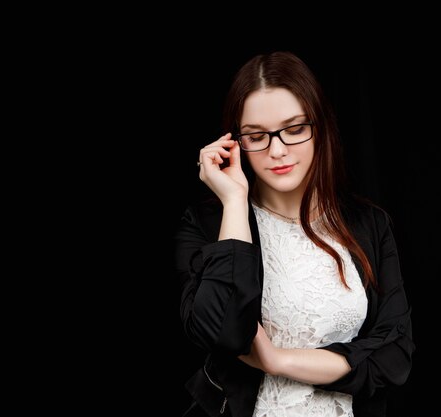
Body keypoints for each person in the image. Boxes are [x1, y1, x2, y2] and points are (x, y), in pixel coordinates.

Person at [176, 51, 414, 417]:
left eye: (295, 129)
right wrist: (236, 203)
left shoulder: (369, 224)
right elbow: (222, 333)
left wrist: (277, 361)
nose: (278, 150)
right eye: (257, 136)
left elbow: (394, 355)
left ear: (320, 127)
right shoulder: (209, 225)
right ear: (235, 142)